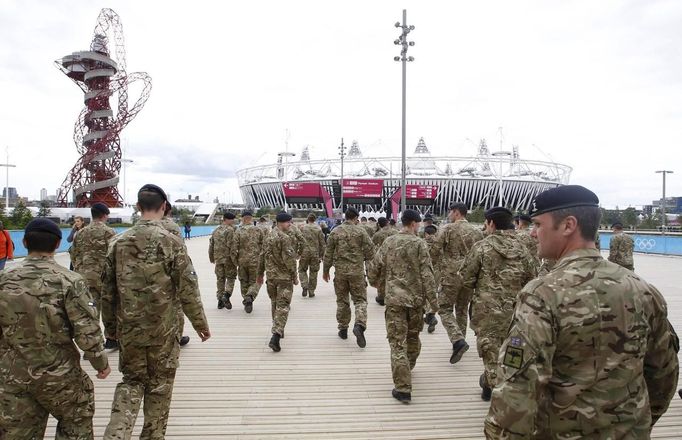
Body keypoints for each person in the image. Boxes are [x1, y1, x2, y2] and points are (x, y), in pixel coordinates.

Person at [485, 185, 680, 438]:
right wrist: (639, 423)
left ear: (568, 225)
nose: (533, 234)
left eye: (538, 225)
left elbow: (517, 388)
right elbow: (664, 372)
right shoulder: (642, 289)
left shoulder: (542, 294)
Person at [101, 184, 210, 439]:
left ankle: (116, 434)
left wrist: (111, 330)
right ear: (163, 207)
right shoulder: (171, 242)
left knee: (131, 382)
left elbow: (107, 292)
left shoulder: (117, 242)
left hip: (129, 330)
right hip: (164, 329)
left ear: (138, 207)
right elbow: (187, 287)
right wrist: (200, 324)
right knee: (160, 387)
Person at [0, 219, 110, 439]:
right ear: (58, 244)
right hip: (60, 376)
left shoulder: (4, 279)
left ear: (24, 241)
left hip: (12, 376)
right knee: (76, 421)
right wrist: (100, 363)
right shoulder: (69, 280)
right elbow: (86, 330)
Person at [458, 207, 537, 401]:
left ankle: (500, 399)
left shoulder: (482, 247)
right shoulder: (523, 249)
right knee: (512, 355)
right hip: (517, 313)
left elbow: (466, 278)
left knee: (491, 355)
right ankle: (490, 385)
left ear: (491, 223)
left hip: (487, 313)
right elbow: (533, 279)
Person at [368, 210, 438, 403]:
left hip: (394, 301)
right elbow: (427, 274)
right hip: (416, 302)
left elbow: (375, 266)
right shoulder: (420, 244)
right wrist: (434, 302)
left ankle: (403, 387)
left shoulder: (389, 242)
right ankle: (408, 367)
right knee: (413, 338)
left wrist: (374, 282)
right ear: (414, 224)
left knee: (397, 343)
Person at [434, 202, 484, 364]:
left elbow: (435, 250)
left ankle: (457, 340)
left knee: (444, 308)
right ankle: (460, 339)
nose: (449, 215)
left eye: (450, 212)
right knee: (462, 309)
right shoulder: (476, 232)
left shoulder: (448, 229)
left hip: (451, 274)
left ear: (456, 213)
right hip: (469, 274)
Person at [323, 207, 375, 347]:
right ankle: (359, 325)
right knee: (360, 301)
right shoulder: (361, 231)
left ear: (346, 217)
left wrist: (325, 270)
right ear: (355, 218)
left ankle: (343, 329)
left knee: (342, 301)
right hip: (357, 272)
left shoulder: (335, 231)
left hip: (340, 272)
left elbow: (328, 253)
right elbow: (371, 252)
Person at [70, 202, 118, 349]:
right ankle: (112, 338)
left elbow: (73, 253)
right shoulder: (109, 232)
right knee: (109, 307)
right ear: (104, 215)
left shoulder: (81, 232)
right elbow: (115, 254)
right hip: (104, 277)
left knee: (90, 310)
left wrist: (79, 269)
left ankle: (92, 343)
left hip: (84, 277)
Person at [263, 212, 298, 352]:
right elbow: (289, 260)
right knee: (283, 306)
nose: (290, 225)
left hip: (271, 276)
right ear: (281, 223)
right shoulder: (285, 238)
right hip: (283, 277)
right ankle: (276, 334)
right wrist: (294, 276)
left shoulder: (268, 237)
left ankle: (277, 328)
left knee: (274, 303)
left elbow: (262, 255)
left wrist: (260, 273)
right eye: (288, 222)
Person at [161, 202, 191, 347]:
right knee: (175, 306)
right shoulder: (172, 227)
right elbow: (180, 250)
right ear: (169, 210)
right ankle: (177, 336)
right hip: (170, 273)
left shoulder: (137, 229)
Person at [232, 211, 266, 313]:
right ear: (251, 218)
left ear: (243, 219)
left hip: (242, 261)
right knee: (256, 281)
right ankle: (250, 296)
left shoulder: (238, 231)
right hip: (255, 261)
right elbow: (264, 246)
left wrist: (235, 261)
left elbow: (233, 248)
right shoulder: (258, 230)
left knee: (243, 281)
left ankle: (247, 299)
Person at [209, 212, 238, 309]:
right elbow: (232, 246)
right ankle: (226, 295)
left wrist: (211, 257)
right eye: (232, 219)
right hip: (228, 259)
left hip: (218, 259)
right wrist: (235, 260)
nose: (233, 221)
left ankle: (220, 300)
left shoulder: (216, 230)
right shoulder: (230, 230)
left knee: (220, 279)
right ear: (227, 219)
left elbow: (211, 244)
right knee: (231, 278)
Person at [371, 217, 398, 305]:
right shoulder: (396, 232)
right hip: (395, 257)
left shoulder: (378, 234)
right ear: (388, 222)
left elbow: (372, 245)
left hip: (382, 257)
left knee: (382, 278)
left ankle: (382, 297)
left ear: (378, 224)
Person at [298, 213, 326, 298]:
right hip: (315, 253)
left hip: (304, 253)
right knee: (314, 272)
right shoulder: (318, 229)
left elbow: (299, 241)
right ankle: (311, 291)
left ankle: (304, 285)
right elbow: (322, 244)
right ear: (315, 219)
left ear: (308, 219)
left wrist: (299, 252)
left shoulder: (303, 228)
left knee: (302, 270)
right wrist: (321, 255)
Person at [422, 224, 441, 333]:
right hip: (437, 271)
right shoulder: (440, 243)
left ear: (426, 234)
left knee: (423, 292)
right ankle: (431, 314)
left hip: (425, 271)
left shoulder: (422, 243)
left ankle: (428, 315)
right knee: (433, 292)